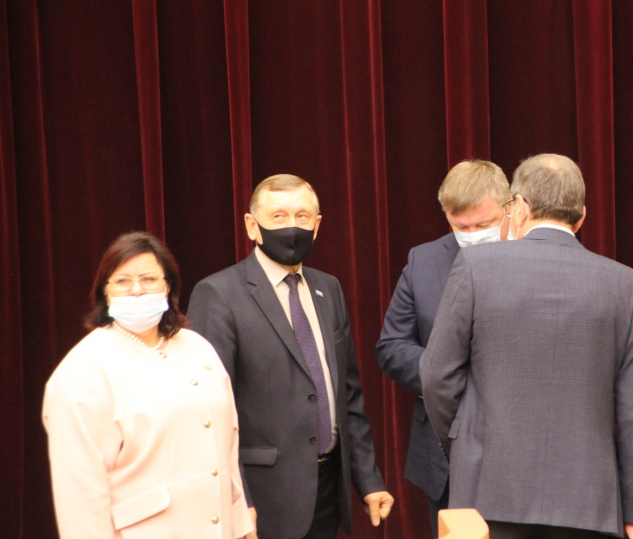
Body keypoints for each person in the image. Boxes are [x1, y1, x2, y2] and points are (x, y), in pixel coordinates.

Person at [420, 154, 633, 539]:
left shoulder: (475, 266)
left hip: (487, 492)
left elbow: (435, 378)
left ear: (520, 207)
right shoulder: (629, 286)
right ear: (581, 216)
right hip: (589, 503)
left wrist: (468, 443)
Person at [188, 174, 393, 539]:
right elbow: (210, 412)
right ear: (252, 225)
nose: (291, 227)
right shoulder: (218, 294)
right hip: (262, 497)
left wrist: (368, 479)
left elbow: (348, 394)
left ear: (317, 225)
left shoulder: (328, 288)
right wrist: (237, 500)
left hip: (327, 491)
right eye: (278, 217)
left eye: (302, 216)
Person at [42, 231, 254, 539]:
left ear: (168, 287)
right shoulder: (83, 370)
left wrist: (242, 525)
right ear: (105, 293)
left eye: (149, 279)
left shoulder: (198, 347)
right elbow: (80, 495)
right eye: (122, 281)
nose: (137, 290)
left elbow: (227, 446)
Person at [376, 159, 511, 537]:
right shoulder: (424, 260)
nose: (471, 235)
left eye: (482, 225)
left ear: (511, 207)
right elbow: (391, 346)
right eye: (460, 226)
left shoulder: (535, 255)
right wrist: (448, 372)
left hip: (519, 453)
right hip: (446, 451)